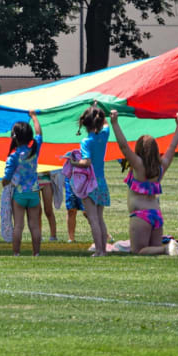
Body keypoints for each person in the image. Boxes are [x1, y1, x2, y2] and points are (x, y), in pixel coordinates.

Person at [110, 108, 178, 256]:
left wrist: (115, 123)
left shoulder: (138, 165)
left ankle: (167, 248)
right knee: (152, 250)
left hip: (140, 216)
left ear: (139, 150)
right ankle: (173, 248)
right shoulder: (161, 167)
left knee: (138, 250)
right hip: (156, 214)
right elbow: (172, 147)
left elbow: (124, 147)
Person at [1, 112, 43, 257]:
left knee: (18, 226)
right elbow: (39, 133)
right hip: (34, 192)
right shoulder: (34, 151)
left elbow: (6, 177)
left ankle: (16, 253)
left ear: (14, 137)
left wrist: (4, 183)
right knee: (35, 226)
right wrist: (34, 117)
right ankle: (36, 253)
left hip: (19, 194)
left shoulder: (13, 156)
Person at [71, 105, 112, 255]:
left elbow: (86, 162)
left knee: (93, 219)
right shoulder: (104, 135)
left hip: (90, 184)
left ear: (84, 124)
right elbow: (106, 124)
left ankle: (99, 250)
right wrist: (99, 106)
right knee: (100, 219)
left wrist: (73, 162)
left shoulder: (86, 141)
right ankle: (104, 250)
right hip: (101, 182)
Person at [37, 171, 59, 241]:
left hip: (46, 180)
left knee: (48, 210)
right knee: (37, 211)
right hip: (33, 181)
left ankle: (53, 236)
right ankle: (38, 236)